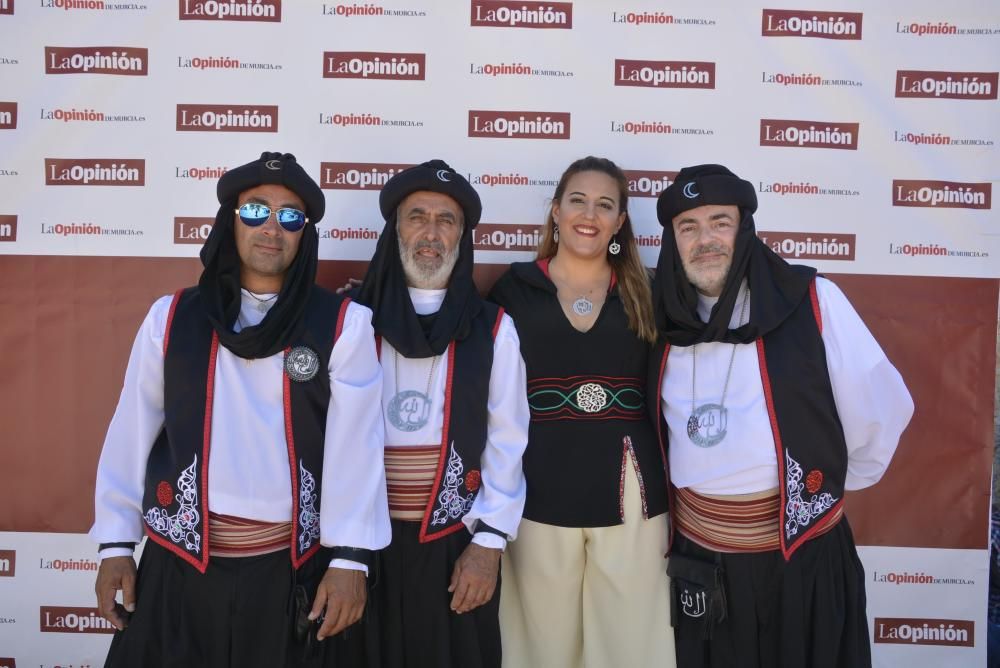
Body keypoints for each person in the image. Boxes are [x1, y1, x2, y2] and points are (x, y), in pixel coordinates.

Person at [90, 152, 391, 667]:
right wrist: (116, 542)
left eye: (290, 216)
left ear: (304, 235)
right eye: (255, 210)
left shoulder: (343, 325)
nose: (271, 227)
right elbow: (132, 430)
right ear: (230, 219)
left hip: (290, 571)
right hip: (180, 562)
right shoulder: (173, 317)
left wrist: (350, 560)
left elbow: (356, 450)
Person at [650, 164, 914, 668]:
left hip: (804, 558)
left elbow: (881, 408)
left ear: (745, 229)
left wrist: (817, 488)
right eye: (689, 227)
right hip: (703, 563)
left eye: (719, 222)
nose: (706, 240)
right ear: (672, 241)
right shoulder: (661, 321)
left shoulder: (811, 301)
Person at [489, 156, 674, 668]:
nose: (589, 214)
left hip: (631, 495)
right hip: (536, 495)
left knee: (633, 645)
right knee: (538, 647)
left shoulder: (650, 291)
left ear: (619, 223)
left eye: (605, 204)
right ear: (555, 211)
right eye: (577, 200)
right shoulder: (514, 291)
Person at [353, 159, 529, 668]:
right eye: (417, 217)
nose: (431, 233)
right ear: (395, 229)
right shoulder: (352, 322)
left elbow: (507, 439)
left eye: (446, 220)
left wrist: (490, 542)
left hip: (456, 545)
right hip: (364, 545)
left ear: (462, 236)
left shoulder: (494, 328)